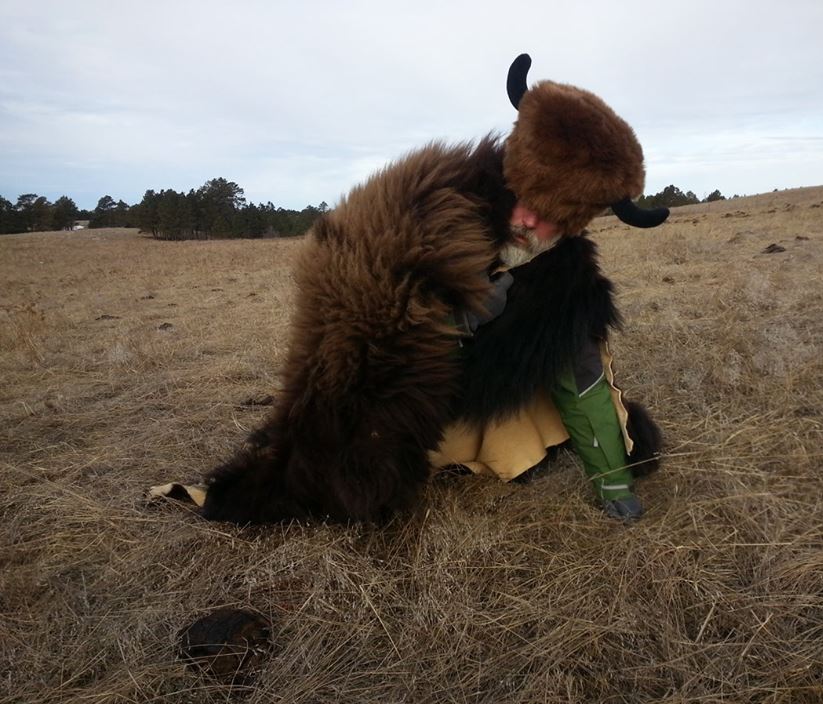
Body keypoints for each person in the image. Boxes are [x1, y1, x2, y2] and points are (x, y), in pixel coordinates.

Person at [179, 54, 667, 525]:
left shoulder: (567, 276)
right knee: (336, 465)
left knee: (549, 403)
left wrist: (613, 485)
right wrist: (454, 320)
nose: (527, 220)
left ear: (575, 223)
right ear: (514, 173)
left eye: (551, 217)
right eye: (524, 200)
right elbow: (350, 330)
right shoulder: (423, 208)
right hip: (388, 376)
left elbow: (581, 379)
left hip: (471, 394)